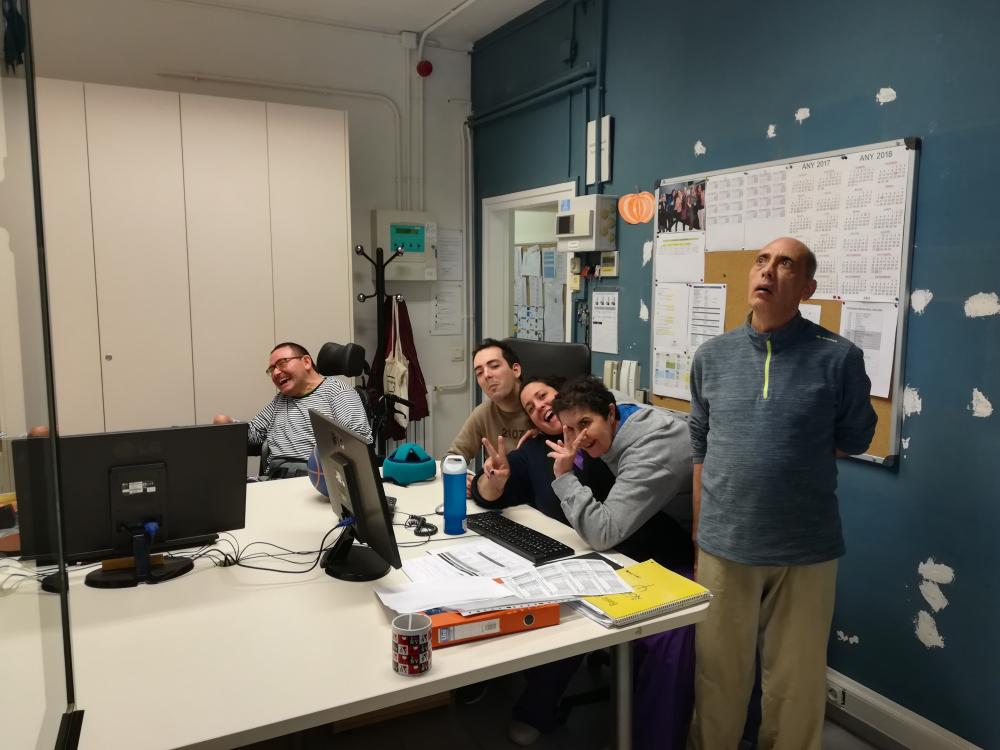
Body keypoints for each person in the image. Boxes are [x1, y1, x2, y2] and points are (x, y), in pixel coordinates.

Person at [686, 237, 877, 750]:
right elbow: (700, 448)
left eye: (785, 264)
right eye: (761, 260)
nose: (768, 270)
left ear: (807, 288)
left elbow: (856, 438)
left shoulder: (839, 358)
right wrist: (699, 535)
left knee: (795, 686)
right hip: (725, 544)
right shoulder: (712, 356)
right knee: (717, 676)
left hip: (805, 550)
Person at [474, 375, 695, 748]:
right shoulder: (535, 451)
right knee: (564, 599)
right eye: (531, 408)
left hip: (661, 543)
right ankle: (536, 706)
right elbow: (487, 493)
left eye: (544, 396)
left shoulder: (621, 438)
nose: (541, 407)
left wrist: (566, 470)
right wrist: (492, 481)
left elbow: (606, 527)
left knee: (663, 634)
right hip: (603, 547)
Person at [213, 342, 370, 478]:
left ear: (306, 362)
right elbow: (254, 435)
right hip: (274, 478)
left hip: (314, 476)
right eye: (271, 369)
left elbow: (357, 443)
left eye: (282, 363)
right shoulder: (280, 400)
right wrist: (229, 426)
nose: (276, 372)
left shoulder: (337, 391)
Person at [446, 338, 533, 462]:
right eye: (479, 373)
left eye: (494, 366)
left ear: (516, 370)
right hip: (496, 475)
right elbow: (453, 456)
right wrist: (456, 471)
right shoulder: (483, 413)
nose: (486, 375)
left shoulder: (541, 406)